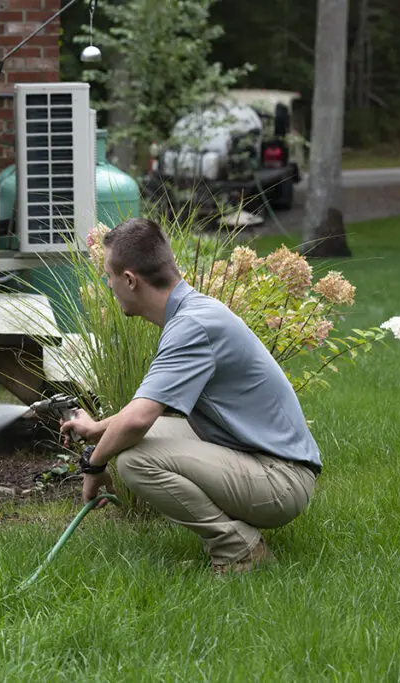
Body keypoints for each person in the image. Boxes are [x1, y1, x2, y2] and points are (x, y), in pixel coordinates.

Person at [59, 217, 321, 575]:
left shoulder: (192, 326)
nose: (108, 284)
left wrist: (94, 462)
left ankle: (239, 550)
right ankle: (234, 544)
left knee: (134, 462)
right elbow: (144, 413)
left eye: (108, 275)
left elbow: (137, 420)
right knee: (138, 438)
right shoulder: (192, 313)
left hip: (281, 479)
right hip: (262, 458)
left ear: (130, 280)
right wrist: (97, 430)